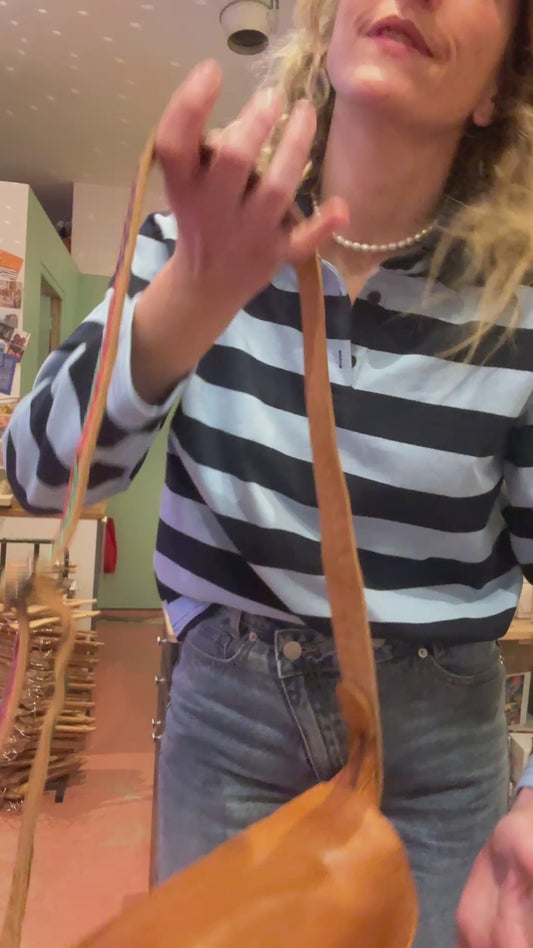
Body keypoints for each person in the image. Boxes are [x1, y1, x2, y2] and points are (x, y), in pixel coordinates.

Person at [5, 0, 533, 943]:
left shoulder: (518, 307)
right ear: (327, 30)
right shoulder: (197, 235)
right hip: (227, 719)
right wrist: (186, 300)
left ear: (497, 87)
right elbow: (37, 475)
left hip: (442, 750)